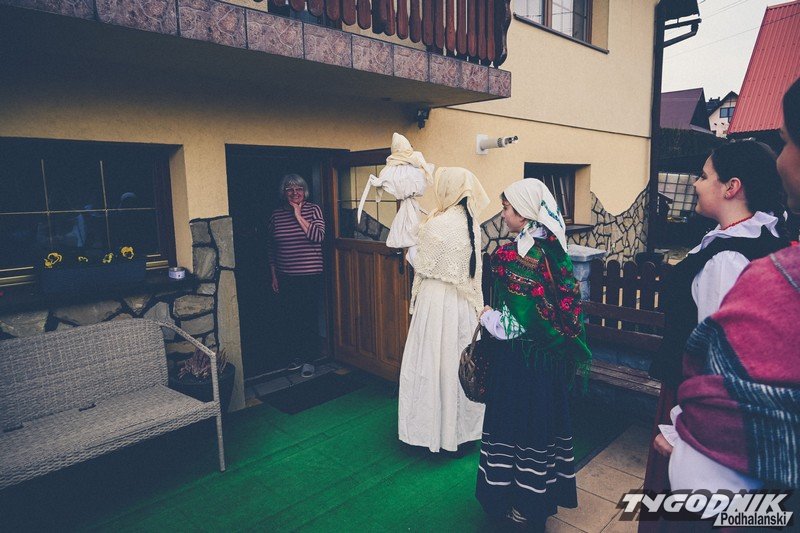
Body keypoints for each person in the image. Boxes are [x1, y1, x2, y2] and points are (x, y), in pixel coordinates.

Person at [657, 78, 800, 517]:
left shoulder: (727, 259)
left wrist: (685, 432)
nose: (696, 185)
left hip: (704, 415)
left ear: (731, 186)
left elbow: (719, 364)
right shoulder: (749, 239)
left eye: (704, 176)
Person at [475, 179, 591, 530]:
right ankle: (532, 501)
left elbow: (514, 326)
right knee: (538, 434)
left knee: (513, 431)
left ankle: (513, 503)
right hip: (547, 368)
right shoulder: (555, 251)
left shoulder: (517, 257)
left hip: (519, 366)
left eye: (507, 208)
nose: (503, 214)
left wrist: (487, 317)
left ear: (524, 214)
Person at [397, 167, 488, 453]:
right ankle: (459, 431)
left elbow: (420, 261)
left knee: (431, 362)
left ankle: (428, 431)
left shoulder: (436, 225)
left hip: (435, 303)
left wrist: (411, 246)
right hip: (461, 305)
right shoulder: (473, 224)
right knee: (457, 362)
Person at [267, 174, 326, 376]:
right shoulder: (276, 215)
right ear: (283, 193)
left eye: (299, 189)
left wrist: (298, 215)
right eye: (289, 189)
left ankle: (310, 360)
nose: (295, 193)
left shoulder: (313, 210)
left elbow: (318, 236)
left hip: (309, 274)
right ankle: (296, 357)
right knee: (290, 317)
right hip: (286, 275)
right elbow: (271, 246)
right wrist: (274, 275)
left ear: (305, 191)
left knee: (308, 316)